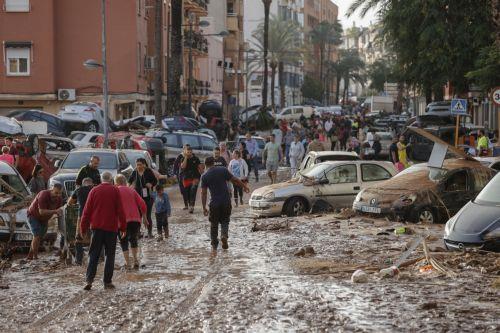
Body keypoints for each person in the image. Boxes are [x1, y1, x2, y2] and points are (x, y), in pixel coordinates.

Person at [81, 171, 126, 291]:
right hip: (111, 228)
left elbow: (86, 211)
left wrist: (83, 227)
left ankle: (89, 281)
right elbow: (120, 210)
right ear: (111, 180)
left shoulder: (94, 191)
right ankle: (107, 282)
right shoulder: (115, 190)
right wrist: (123, 227)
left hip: (96, 228)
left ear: (101, 180)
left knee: (93, 254)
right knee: (109, 255)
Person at [201, 157, 249, 253]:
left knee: (214, 224)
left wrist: (204, 207)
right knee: (225, 221)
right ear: (214, 163)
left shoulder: (205, 176)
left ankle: (214, 246)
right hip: (226, 201)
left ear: (205, 165)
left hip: (214, 203)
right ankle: (224, 236)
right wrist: (244, 186)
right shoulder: (223, 170)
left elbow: (204, 193)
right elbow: (235, 180)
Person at [114, 174, 146, 270]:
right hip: (135, 220)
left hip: (122, 221)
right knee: (133, 239)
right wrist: (145, 218)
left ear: (116, 183)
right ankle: (136, 260)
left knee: (123, 241)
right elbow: (142, 204)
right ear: (125, 182)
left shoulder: (115, 191)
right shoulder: (132, 190)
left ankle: (128, 263)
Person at [26, 183, 64, 260]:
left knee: (39, 237)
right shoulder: (43, 194)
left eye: (59, 193)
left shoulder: (59, 199)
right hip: (33, 215)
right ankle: (35, 257)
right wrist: (55, 211)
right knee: (36, 235)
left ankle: (30, 256)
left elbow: (60, 211)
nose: (57, 195)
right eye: (56, 193)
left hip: (44, 218)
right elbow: (42, 212)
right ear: (51, 190)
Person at [128, 158, 157, 238]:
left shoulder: (148, 171)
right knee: (138, 215)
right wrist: (131, 186)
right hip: (137, 197)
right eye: (137, 165)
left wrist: (151, 184)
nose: (138, 166)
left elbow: (155, 181)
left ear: (144, 164)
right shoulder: (134, 172)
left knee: (147, 215)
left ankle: (149, 232)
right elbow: (129, 181)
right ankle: (138, 232)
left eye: (140, 164)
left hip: (148, 197)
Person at [68, 177, 94, 265]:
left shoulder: (78, 189)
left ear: (83, 184)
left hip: (82, 216)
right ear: (91, 184)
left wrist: (77, 201)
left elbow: (69, 203)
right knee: (95, 237)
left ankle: (79, 261)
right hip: (94, 217)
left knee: (79, 238)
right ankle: (97, 259)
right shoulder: (95, 189)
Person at [180, 146, 202, 213]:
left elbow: (200, 167)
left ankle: (192, 206)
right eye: (188, 152)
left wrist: (202, 172)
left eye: (190, 152)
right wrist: (186, 157)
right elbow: (183, 167)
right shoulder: (183, 158)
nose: (189, 153)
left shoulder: (196, 158)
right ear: (185, 152)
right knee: (188, 192)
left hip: (195, 177)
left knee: (193, 190)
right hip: (186, 177)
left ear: (192, 152)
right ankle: (190, 205)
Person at [173, 144, 190, 210]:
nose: (187, 150)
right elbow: (175, 165)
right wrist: (174, 173)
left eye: (188, 149)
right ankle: (186, 204)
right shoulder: (180, 156)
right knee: (183, 191)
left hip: (189, 176)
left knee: (189, 190)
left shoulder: (191, 156)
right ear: (183, 149)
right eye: (186, 149)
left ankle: (188, 203)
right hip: (181, 176)